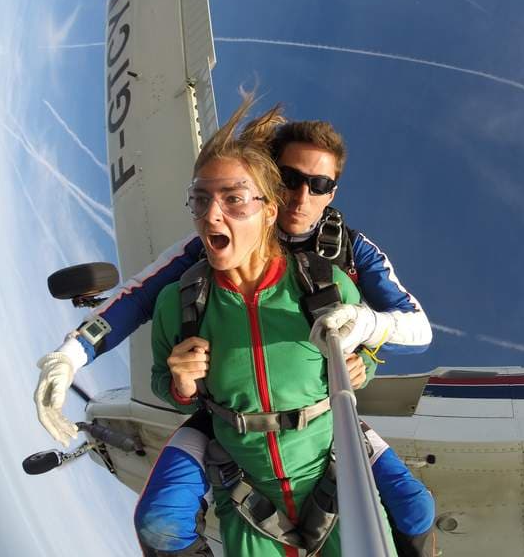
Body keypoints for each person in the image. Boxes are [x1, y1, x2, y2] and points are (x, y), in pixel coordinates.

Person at [34, 106, 435, 555]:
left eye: (318, 184)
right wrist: (72, 354)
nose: (302, 196)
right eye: (289, 178)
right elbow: (141, 294)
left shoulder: (347, 254)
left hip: (319, 406)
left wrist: (366, 336)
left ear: (332, 192)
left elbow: (418, 328)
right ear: (269, 182)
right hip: (226, 413)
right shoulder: (207, 253)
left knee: (415, 510)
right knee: (160, 519)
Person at [136, 97, 397, 556]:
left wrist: (364, 366)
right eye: (200, 200)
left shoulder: (326, 284)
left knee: (414, 509)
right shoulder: (177, 304)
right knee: (158, 523)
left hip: (332, 480)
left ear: (267, 210)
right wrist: (178, 384)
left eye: (234, 200)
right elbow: (163, 382)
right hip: (246, 494)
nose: (210, 216)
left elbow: (370, 350)